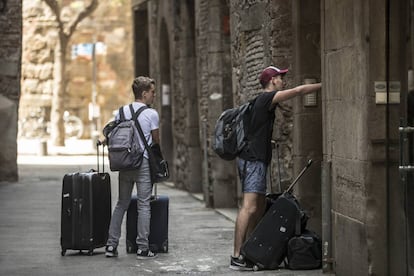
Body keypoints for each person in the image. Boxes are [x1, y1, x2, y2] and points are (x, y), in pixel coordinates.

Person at [230, 66, 322, 270]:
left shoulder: (259, 102)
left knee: (260, 206)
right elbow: (298, 92)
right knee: (249, 206)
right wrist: (323, 85)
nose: (283, 81)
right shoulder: (266, 98)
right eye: (280, 77)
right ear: (272, 80)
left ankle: (251, 249)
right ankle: (236, 255)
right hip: (253, 160)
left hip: (254, 159)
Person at [105, 76, 159, 259]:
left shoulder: (121, 112)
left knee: (122, 203)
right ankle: (143, 248)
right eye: (152, 92)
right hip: (142, 162)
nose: (154, 95)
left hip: (125, 162)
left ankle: (111, 246)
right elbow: (156, 142)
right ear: (144, 94)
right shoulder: (152, 114)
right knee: (144, 204)